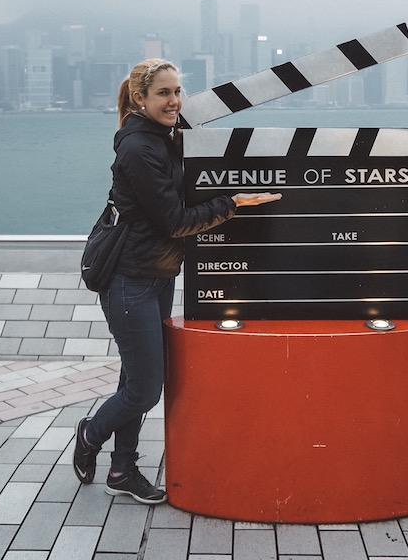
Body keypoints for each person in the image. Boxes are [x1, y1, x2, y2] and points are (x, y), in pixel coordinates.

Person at [73, 59, 281, 504]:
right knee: (146, 389)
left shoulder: (164, 136)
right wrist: (234, 202)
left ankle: (122, 470)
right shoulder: (138, 148)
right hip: (129, 279)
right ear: (140, 99)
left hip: (159, 275)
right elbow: (173, 220)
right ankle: (90, 434)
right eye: (163, 93)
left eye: (178, 91)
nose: (174, 101)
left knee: (134, 380)